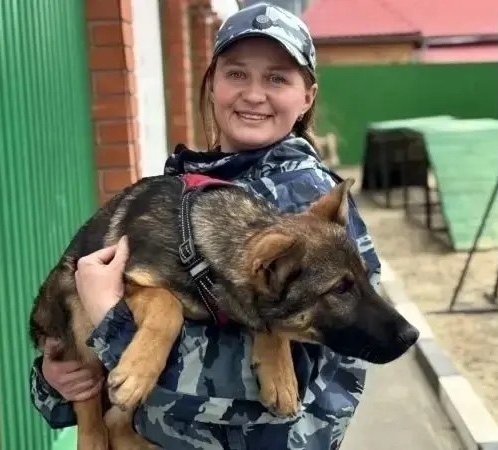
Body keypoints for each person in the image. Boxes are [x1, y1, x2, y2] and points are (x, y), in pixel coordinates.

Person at [30, 3, 383, 448]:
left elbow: (276, 396)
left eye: (277, 78)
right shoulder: (190, 186)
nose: (253, 94)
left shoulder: (309, 211)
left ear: (307, 96)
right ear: (212, 83)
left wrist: (111, 323)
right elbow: (84, 362)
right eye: (236, 74)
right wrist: (57, 378)